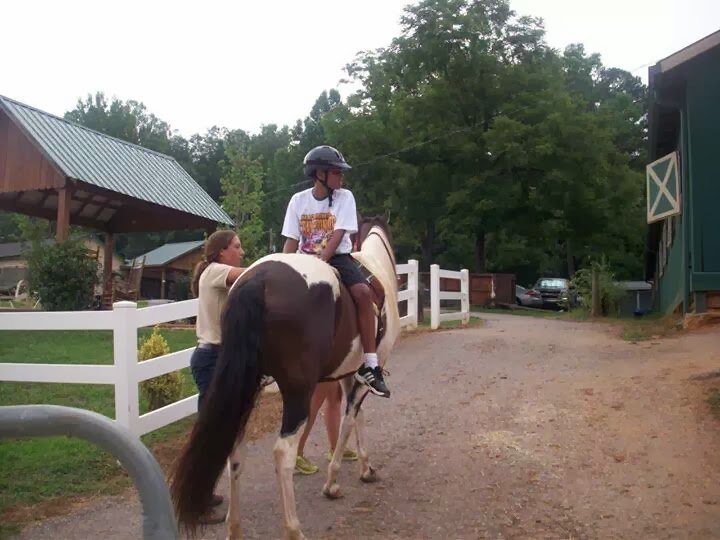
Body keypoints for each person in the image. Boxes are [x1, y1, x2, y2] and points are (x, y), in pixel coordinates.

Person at [280, 144, 390, 397]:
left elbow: (339, 233)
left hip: (338, 258)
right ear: (320, 174)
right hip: (304, 261)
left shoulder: (345, 197)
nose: (342, 177)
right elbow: (291, 240)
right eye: (337, 172)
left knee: (363, 293)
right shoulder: (298, 201)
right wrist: (284, 267)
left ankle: (371, 365)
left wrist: (321, 262)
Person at [188, 229, 246, 522]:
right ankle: (195, 504)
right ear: (222, 251)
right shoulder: (215, 271)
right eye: (237, 246)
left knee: (213, 432)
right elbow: (249, 275)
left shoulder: (214, 273)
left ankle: (201, 493)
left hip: (215, 358)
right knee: (212, 434)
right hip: (210, 359)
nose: (241, 252)